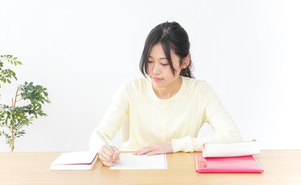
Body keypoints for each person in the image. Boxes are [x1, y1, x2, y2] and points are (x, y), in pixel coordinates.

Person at [89, 22, 241, 167]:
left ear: (185, 62)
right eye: (149, 61)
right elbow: (99, 135)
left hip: (180, 174)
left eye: (164, 63)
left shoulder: (200, 91)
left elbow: (233, 138)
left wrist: (174, 146)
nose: (154, 71)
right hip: (135, 174)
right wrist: (103, 149)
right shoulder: (131, 89)